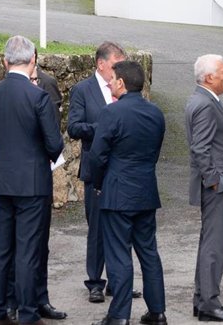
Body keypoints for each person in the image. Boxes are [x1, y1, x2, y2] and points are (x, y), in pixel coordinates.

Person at [0, 35, 64, 325]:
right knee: (28, 250)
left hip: (2, 180)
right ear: (32, 62)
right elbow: (55, 145)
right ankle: (27, 313)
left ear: (5, 62)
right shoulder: (38, 96)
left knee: (1, 249)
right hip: (33, 183)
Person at [88, 60, 168, 325]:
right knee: (149, 252)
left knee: (119, 254)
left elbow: (98, 156)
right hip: (145, 190)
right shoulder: (155, 113)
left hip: (117, 192)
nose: (109, 83)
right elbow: (154, 152)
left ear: (121, 83)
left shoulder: (112, 113)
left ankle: (119, 315)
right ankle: (157, 312)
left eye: (112, 79)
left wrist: (99, 183)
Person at [67, 41, 142, 303]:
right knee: (98, 228)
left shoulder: (125, 90)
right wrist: (103, 127)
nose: (119, 69)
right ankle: (95, 282)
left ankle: (118, 281)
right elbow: (74, 127)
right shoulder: (83, 90)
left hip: (122, 169)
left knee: (122, 228)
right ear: (101, 64)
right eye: (115, 64)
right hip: (96, 169)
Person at [4, 64, 67, 322]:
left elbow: (54, 129)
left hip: (39, 175)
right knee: (11, 246)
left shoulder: (47, 85)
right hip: (14, 179)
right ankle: (13, 302)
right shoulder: (5, 90)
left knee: (39, 245)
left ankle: (40, 299)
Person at [185, 54, 223, 322]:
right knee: (214, 245)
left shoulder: (202, 99)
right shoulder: (205, 104)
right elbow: (200, 148)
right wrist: (215, 181)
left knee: (209, 242)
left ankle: (204, 299)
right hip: (216, 186)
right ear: (210, 77)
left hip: (215, 185)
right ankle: (209, 303)